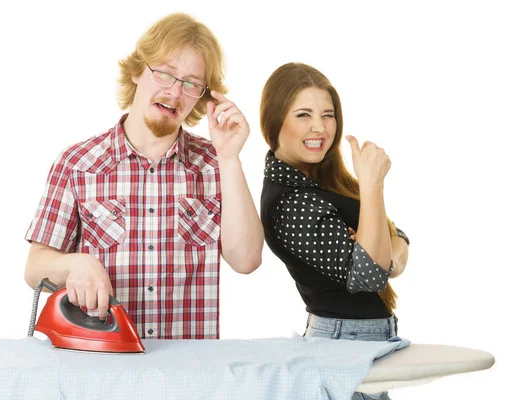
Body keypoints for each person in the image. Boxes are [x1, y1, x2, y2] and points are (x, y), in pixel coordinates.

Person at [24, 13, 264, 340]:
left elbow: (246, 260)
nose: (175, 92)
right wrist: (76, 264)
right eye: (165, 74)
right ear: (138, 71)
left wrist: (231, 158)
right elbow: (34, 267)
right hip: (102, 365)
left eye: (191, 83)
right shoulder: (76, 164)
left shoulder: (216, 164)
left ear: (203, 97)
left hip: (191, 376)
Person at [259, 63, 409, 400]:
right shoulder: (290, 201)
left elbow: (396, 235)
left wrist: (393, 256)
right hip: (343, 345)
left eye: (328, 115)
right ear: (274, 121)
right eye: (303, 115)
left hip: (361, 343)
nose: (319, 127)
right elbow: (371, 275)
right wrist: (372, 186)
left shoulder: (323, 178)